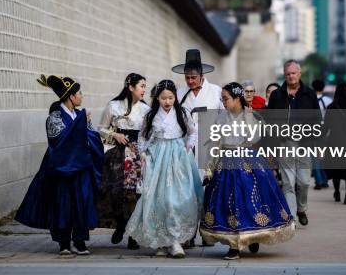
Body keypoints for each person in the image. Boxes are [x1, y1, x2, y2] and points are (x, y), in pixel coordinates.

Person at [200, 82, 295, 260]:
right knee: (230, 203)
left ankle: (252, 235)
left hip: (248, 160)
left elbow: (253, 138)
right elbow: (215, 143)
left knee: (252, 200)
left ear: (237, 98)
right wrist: (209, 168)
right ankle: (235, 245)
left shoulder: (250, 115)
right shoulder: (221, 117)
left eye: (226, 99)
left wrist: (250, 117)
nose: (224, 102)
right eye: (222, 99)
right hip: (225, 162)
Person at [15, 74, 104, 256]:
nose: (81, 96)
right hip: (61, 167)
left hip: (81, 167)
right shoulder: (55, 117)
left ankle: (79, 241)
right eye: (79, 93)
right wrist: (81, 124)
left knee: (81, 202)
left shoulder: (81, 116)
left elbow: (92, 137)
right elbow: (59, 141)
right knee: (62, 203)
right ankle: (63, 242)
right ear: (70, 96)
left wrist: (83, 124)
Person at [125, 79, 204, 258]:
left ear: (175, 97)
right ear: (157, 99)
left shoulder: (182, 113)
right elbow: (143, 136)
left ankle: (175, 241)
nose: (167, 102)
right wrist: (143, 153)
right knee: (156, 199)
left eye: (170, 98)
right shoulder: (150, 115)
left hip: (179, 158)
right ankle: (160, 241)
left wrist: (188, 146)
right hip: (157, 157)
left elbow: (192, 132)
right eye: (163, 98)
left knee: (176, 199)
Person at [173, 48, 223, 247]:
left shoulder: (216, 91)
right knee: (188, 192)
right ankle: (188, 233)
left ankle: (208, 231)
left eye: (193, 77)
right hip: (187, 147)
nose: (190, 81)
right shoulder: (179, 93)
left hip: (209, 145)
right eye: (187, 78)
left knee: (208, 189)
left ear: (202, 76)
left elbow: (224, 116)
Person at [96, 73, 150, 250]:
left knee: (134, 192)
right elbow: (101, 128)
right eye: (141, 86)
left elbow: (148, 134)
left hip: (137, 152)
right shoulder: (113, 105)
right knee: (115, 190)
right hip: (117, 153)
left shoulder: (145, 109)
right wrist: (114, 134)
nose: (144, 90)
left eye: (145, 86)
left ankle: (133, 234)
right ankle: (120, 223)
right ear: (131, 87)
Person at [266, 60, 321, 226]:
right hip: (285, 143)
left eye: (293, 73)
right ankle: (291, 218)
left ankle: (301, 208)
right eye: (288, 74)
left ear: (299, 73)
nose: (291, 76)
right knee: (288, 183)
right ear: (285, 75)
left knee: (304, 182)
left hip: (305, 143)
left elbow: (317, 119)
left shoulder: (309, 94)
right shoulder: (277, 95)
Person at [322, 82, 346, 205]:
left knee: (335, 169)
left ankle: (337, 192)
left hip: (334, 141)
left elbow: (326, 126)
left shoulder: (331, 107)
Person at [311, 80, 332, 190]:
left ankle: (319, 180)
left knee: (314, 155)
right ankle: (324, 178)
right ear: (323, 88)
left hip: (313, 128)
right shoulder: (328, 100)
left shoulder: (309, 100)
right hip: (325, 128)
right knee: (323, 155)